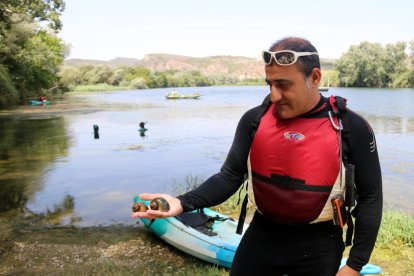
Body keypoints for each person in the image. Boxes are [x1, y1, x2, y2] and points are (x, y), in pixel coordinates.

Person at [132, 37, 382, 276]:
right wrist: (182, 202)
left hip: (320, 242)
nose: (274, 95)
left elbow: (370, 197)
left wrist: (354, 264)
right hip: (262, 234)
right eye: (269, 84)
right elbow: (230, 176)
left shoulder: (349, 127)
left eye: (283, 85)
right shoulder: (254, 120)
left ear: (314, 78)